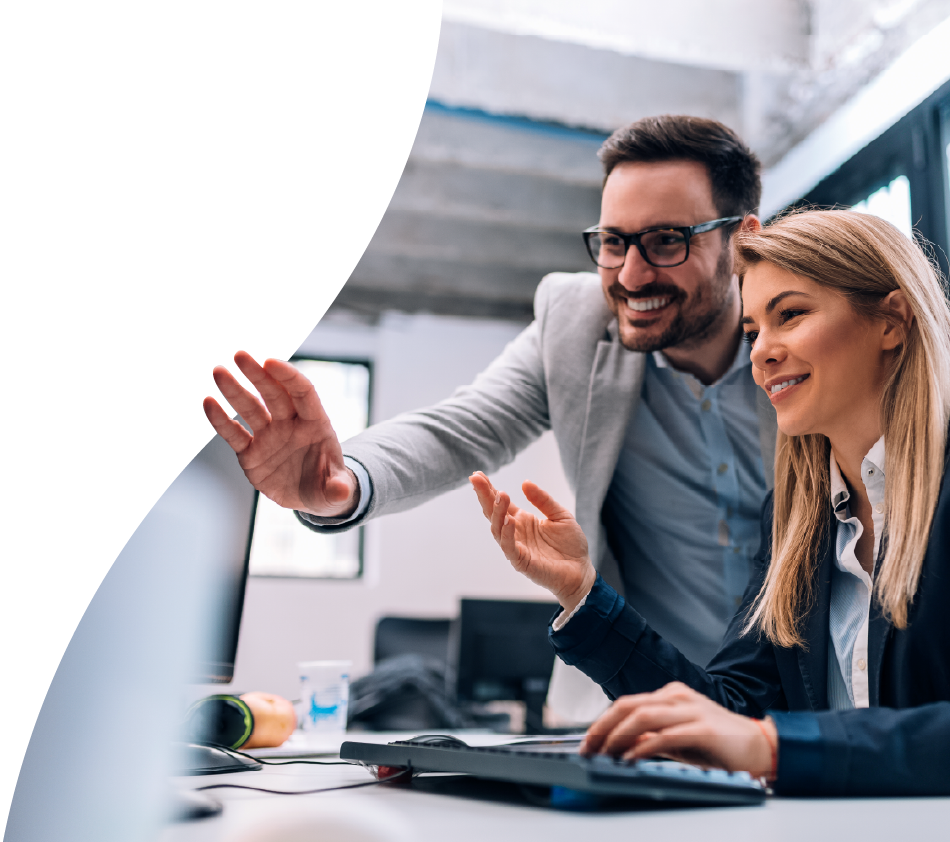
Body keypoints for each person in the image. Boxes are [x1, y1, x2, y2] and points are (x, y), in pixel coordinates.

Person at [202, 115, 778, 720]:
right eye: (613, 242)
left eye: (667, 241)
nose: (631, 275)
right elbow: (463, 427)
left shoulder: (807, 337)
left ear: (741, 240)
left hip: (804, 702)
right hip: (641, 703)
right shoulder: (577, 324)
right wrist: (343, 481)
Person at [469, 208, 950, 795]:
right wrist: (582, 594)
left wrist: (775, 748)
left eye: (791, 315)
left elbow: (758, 740)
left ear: (892, 322)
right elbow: (729, 713)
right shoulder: (798, 519)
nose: (761, 353)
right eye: (753, 333)